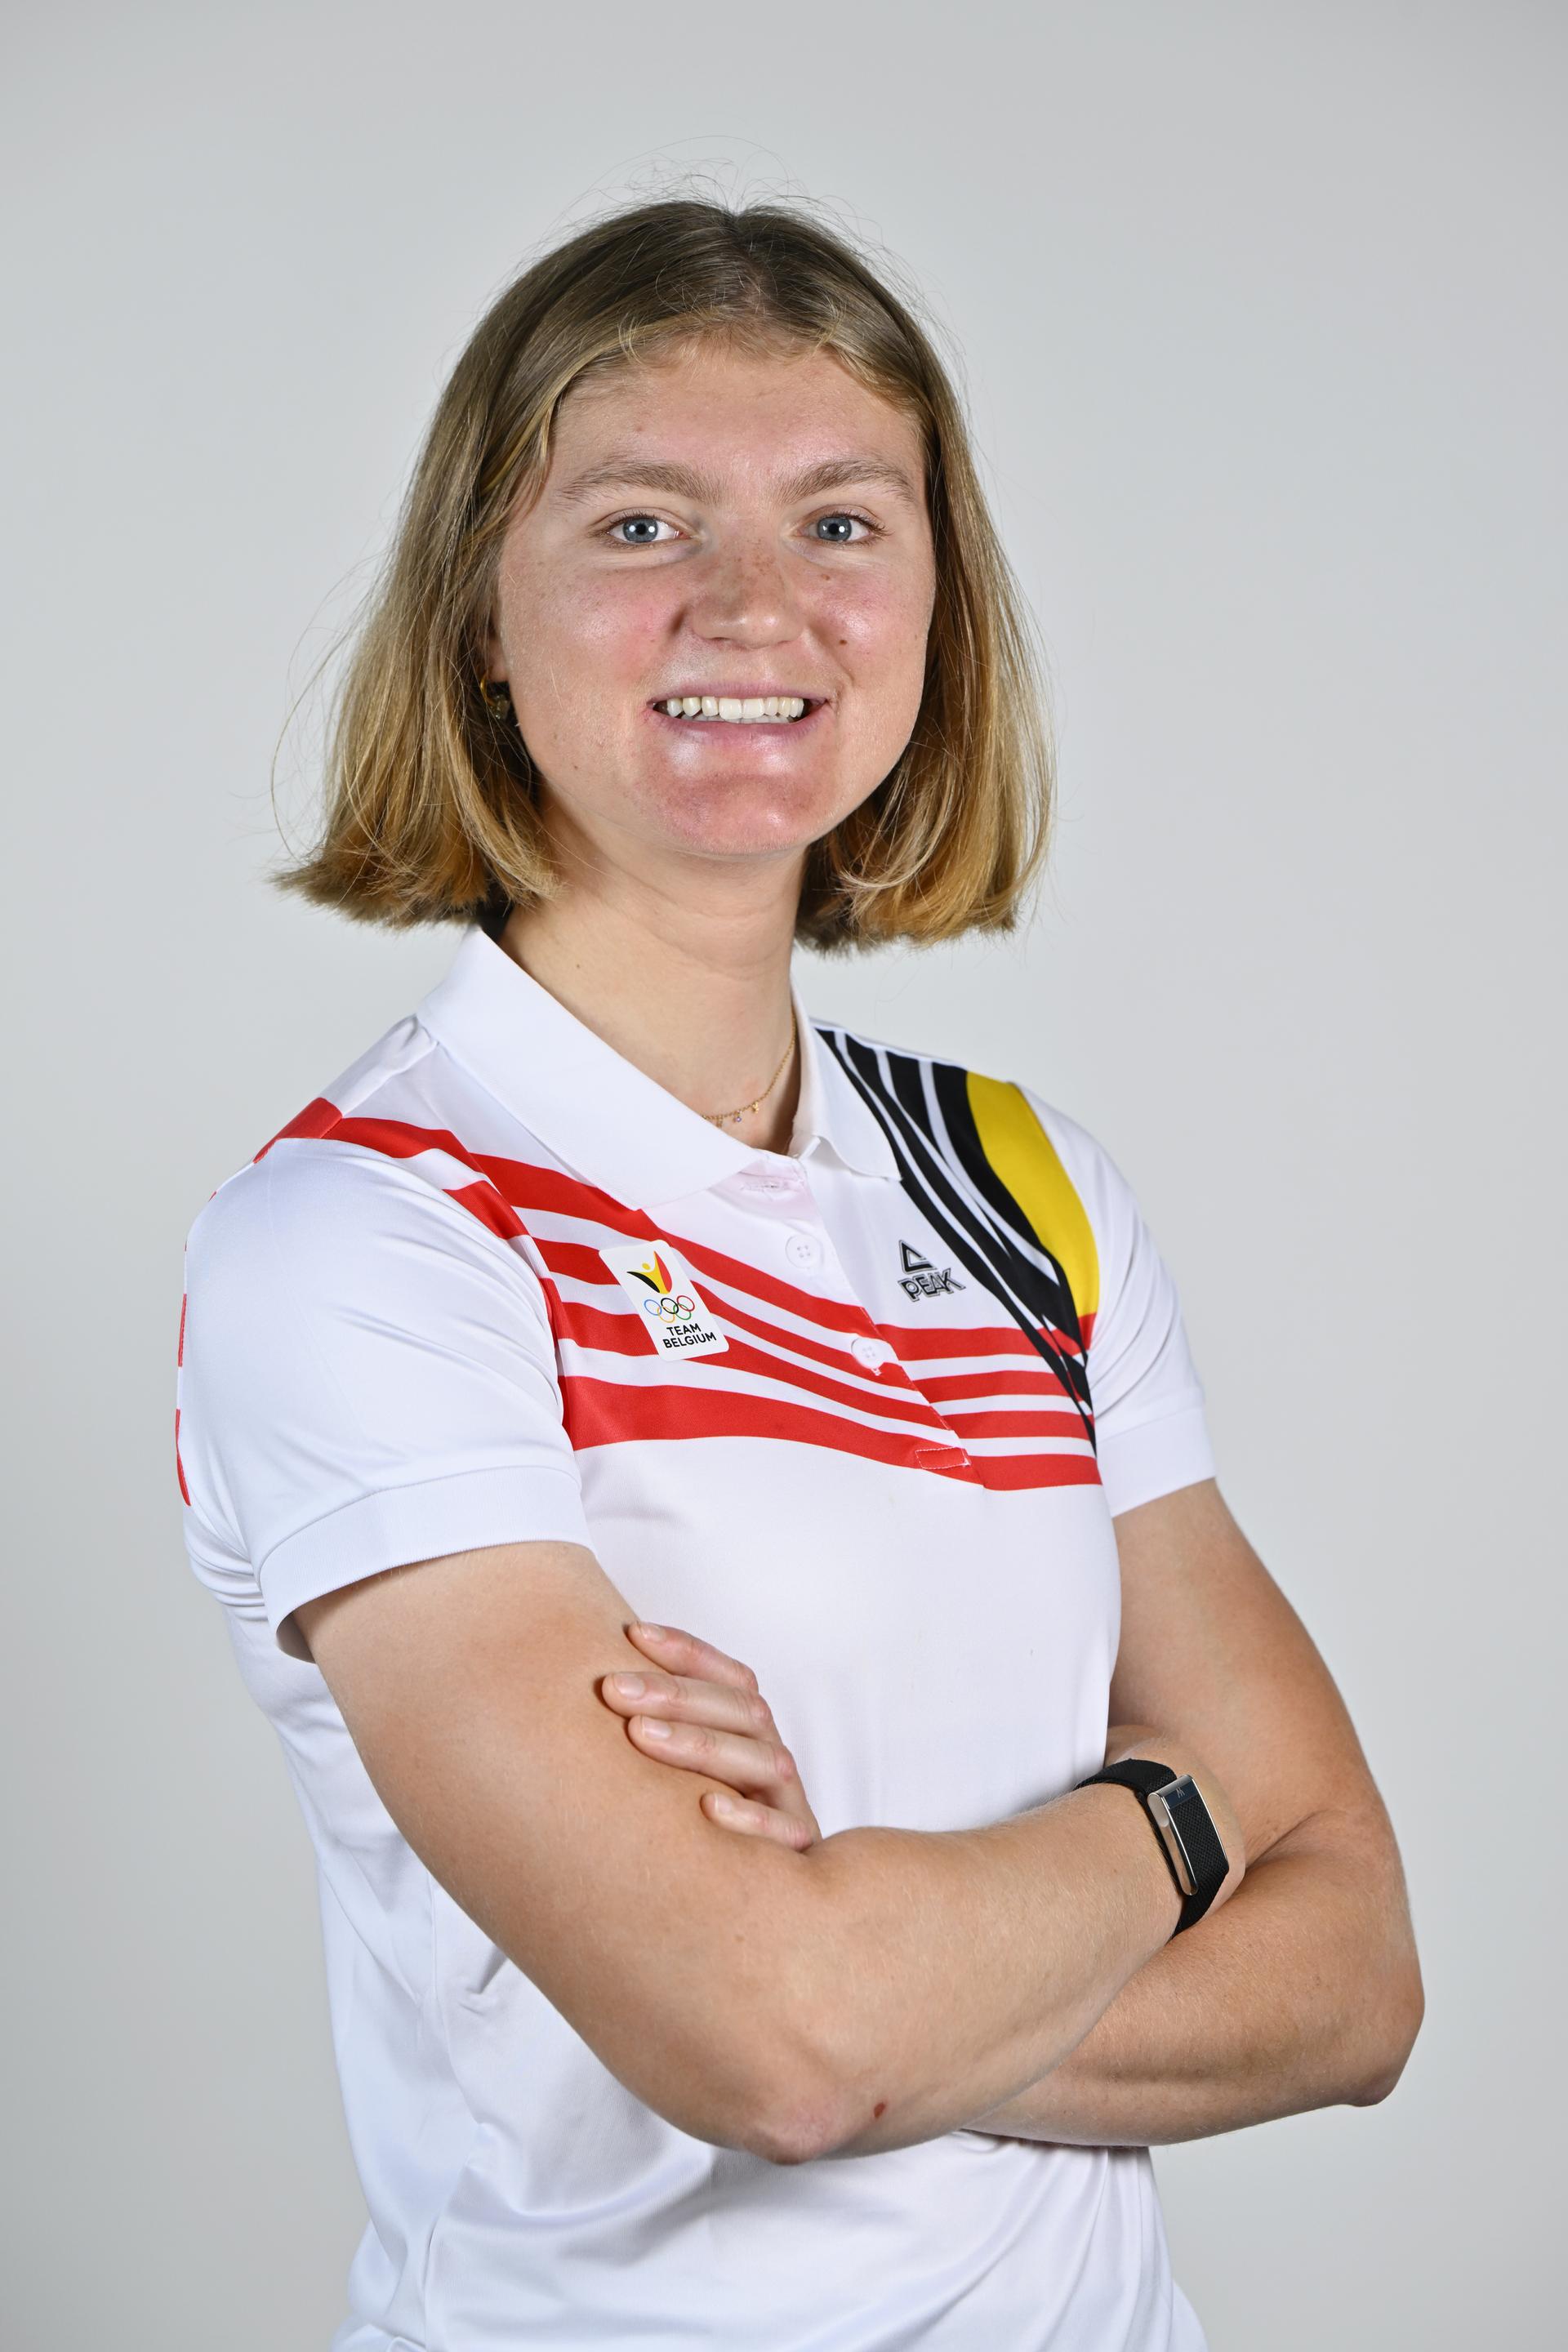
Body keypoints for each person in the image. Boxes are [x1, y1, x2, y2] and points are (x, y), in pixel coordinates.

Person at [175, 195, 1423, 2352]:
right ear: (484, 611)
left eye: (845, 523)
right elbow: (775, 2046)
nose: (756, 605)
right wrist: (1191, 1815)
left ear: (938, 608)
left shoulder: (1026, 1190)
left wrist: (869, 1937)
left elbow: (1363, 1979)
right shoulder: (369, 1233)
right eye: (644, 524)